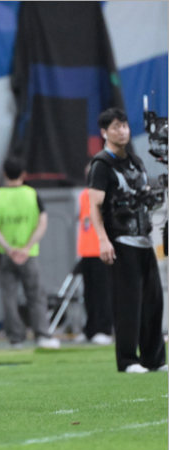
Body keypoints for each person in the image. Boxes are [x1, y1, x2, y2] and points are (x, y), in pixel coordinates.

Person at [88, 107, 167, 374]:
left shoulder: (135, 161)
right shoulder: (101, 165)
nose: (122, 131)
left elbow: (143, 193)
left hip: (144, 240)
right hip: (121, 241)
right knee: (128, 303)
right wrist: (103, 240)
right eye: (115, 127)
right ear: (104, 133)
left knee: (154, 301)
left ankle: (154, 359)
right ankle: (127, 360)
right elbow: (94, 206)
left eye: (124, 126)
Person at [0, 157, 60, 350]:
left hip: (5, 253)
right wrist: (27, 247)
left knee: (8, 296)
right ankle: (42, 335)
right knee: (35, 295)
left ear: (4, 174)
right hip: (29, 254)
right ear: (24, 174)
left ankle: (16, 338)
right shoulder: (32, 194)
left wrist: (9, 248)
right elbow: (42, 222)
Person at [75, 186, 113, 345]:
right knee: (88, 294)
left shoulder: (108, 194)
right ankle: (90, 329)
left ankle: (104, 329)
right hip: (86, 250)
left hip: (101, 250)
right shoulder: (84, 195)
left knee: (103, 293)